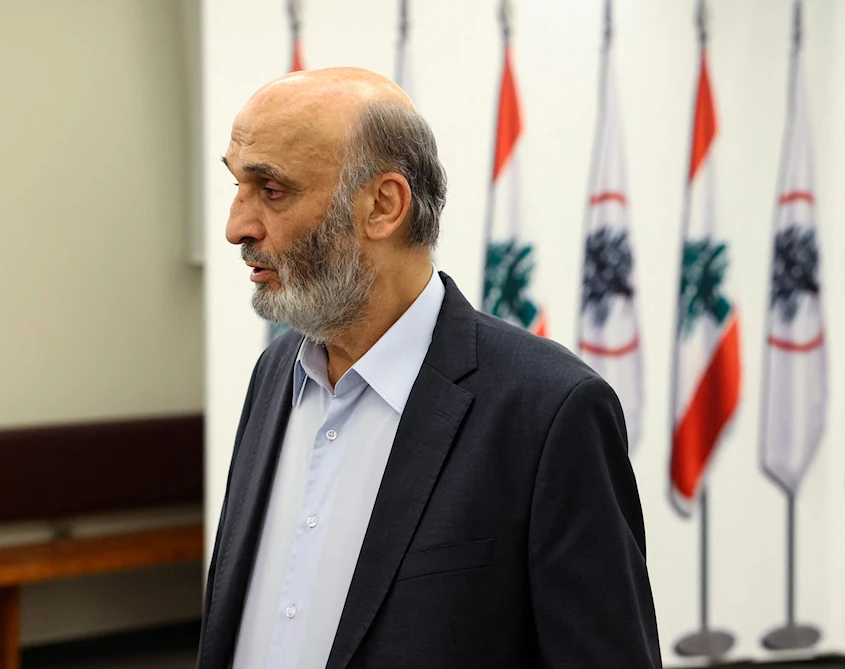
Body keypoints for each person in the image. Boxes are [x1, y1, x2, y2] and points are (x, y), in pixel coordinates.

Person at [197, 68, 661, 669]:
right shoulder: (275, 373)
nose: (236, 227)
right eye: (237, 185)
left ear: (383, 205)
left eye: (272, 190)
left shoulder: (547, 411)